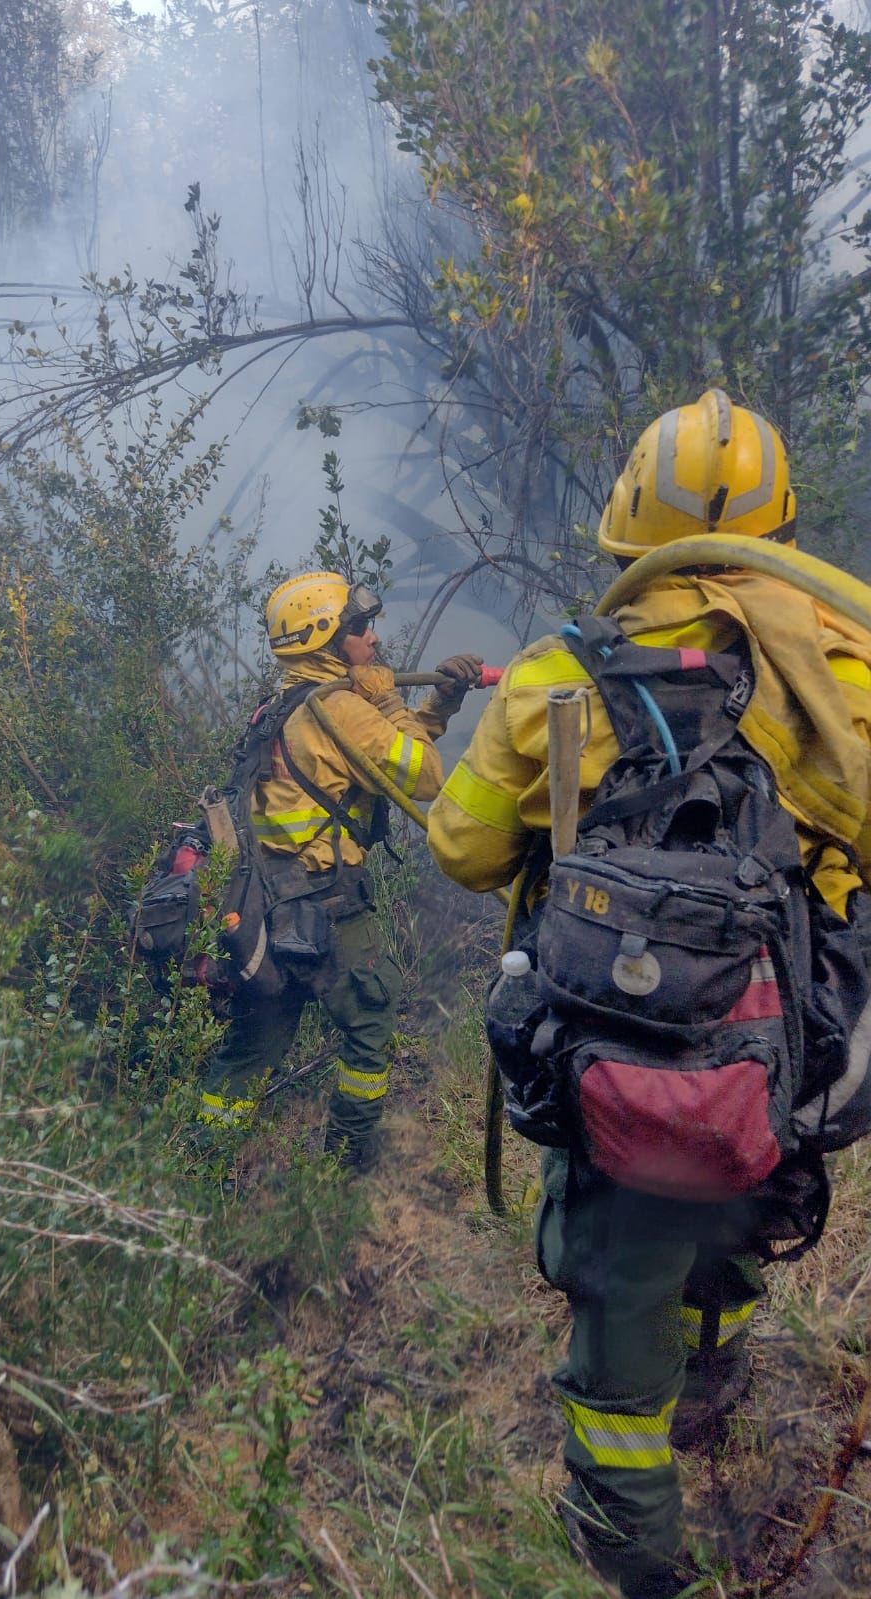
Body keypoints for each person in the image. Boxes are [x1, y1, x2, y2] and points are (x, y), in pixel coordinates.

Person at [426, 390, 871, 1599]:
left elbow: (463, 852)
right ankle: (711, 1388)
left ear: (631, 520)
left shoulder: (557, 670)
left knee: (623, 1279)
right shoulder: (839, 663)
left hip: (607, 1045)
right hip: (782, 1048)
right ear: (781, 520)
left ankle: (631, 1551)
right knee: (732, 1215)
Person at [196, 570, 482, 1171]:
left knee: (254, 1048)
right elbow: (423, 776)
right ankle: (343, 1168)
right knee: (372, 1023)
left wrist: (441, 703)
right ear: (326, 641)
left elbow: (381, 758)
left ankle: (197, 1166)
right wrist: (384, 698)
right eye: (358, 628)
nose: (372, 639)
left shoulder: (285, 707)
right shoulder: (341, 707)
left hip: (267, 910)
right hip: (327, 906)